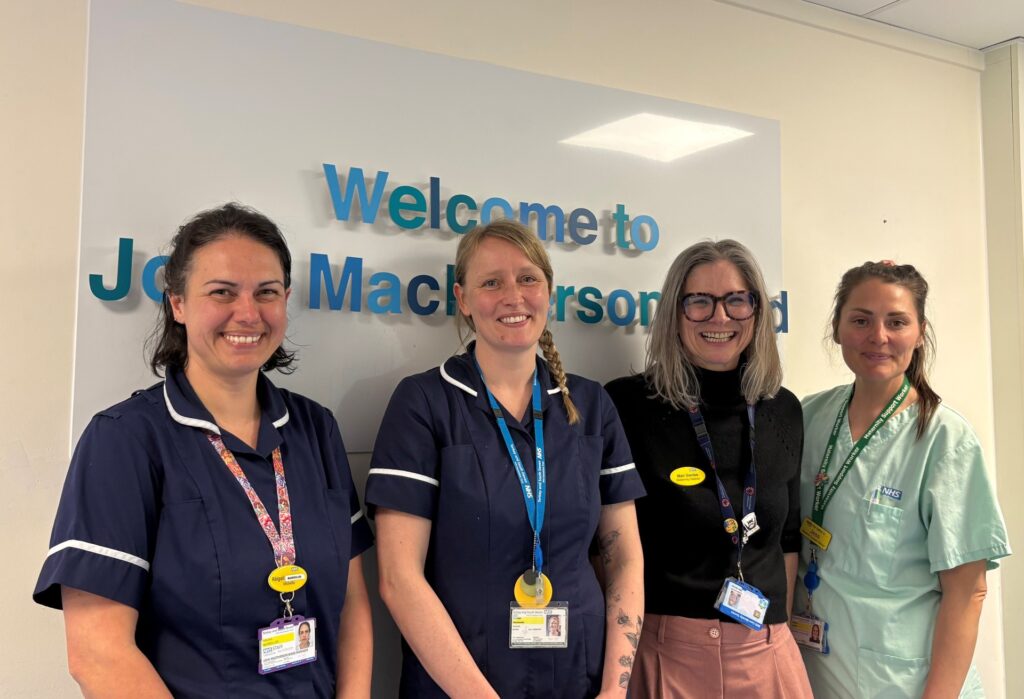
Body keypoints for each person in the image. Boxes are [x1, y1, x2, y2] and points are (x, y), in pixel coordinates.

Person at [33, 203, 374, 698]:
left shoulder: (316, 429)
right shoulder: (124, 440)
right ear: (178, 304)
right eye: (222, 292)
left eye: (267, 292)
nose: (248, 313)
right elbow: (97, 652)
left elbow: (354, 602)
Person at [367, 219, 646, 698]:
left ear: (549, 292)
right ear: (463, 299)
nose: (513, 296)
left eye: (528, 278)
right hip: (459, 685)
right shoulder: (424, 403)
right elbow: (398, 578)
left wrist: (615, 690)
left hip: (580, 681)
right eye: (491, 282)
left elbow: (624, 559)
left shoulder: (591, 405)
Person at [605, 239, 812, 699]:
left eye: (737, 300)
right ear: (674, 314)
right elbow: (606, 546)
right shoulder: (628, 404)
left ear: (756, 311)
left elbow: (788, 540)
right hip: (664, 654)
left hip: (766, 655)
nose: (720, 317)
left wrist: (774, 633)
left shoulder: (783, 410)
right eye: (699, 301)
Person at [797, 261, 1011, 698]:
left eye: (897, 322)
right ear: (837, 328)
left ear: (919, 332)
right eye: (861, 320)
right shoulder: (808, 418)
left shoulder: (944, 439)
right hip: (818, 674)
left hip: (908, 684)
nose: (878, 336)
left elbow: (968, 593)